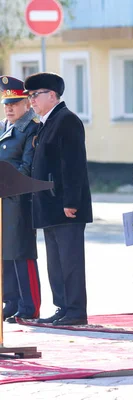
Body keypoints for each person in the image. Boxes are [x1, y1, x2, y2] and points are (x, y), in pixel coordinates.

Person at [26, 72, 93, 326]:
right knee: (56, 262)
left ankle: (75, 310)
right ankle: (63, 306)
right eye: (30, 96)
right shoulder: (46, 122)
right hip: (49, 204)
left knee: (70, 260)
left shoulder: (66, 120)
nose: (31, 100)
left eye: (35, 95)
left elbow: (73, 165)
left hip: (65, 204)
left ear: (52, 95)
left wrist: (71, 202)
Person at [0, 75, 41, 322]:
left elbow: (27, 167)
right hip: (3, 199)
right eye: (6, 103)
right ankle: (11, 300)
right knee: (4, 252)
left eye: (15, 103)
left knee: (21, 251)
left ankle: (29, 305)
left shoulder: (31, 129)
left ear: (27, 103)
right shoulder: (3, 127)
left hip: (18, 199)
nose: (9, 108)